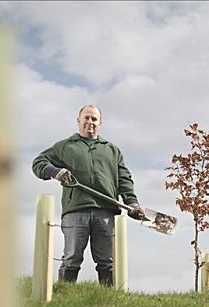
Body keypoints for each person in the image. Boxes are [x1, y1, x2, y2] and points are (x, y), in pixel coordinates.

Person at [32, 105, 145, 286]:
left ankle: (107, 300)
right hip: (76, 210)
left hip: (106, 211)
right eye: (86, 118)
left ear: (100, 123)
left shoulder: (112, 150)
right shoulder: (65, 147)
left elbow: (124, 178)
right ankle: (65, 298)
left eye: (94, 119)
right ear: (78, 121)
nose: (90, 122)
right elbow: (38, 163)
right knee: (72, 257)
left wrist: (132, 202)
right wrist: (55, 171)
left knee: (107, 261)